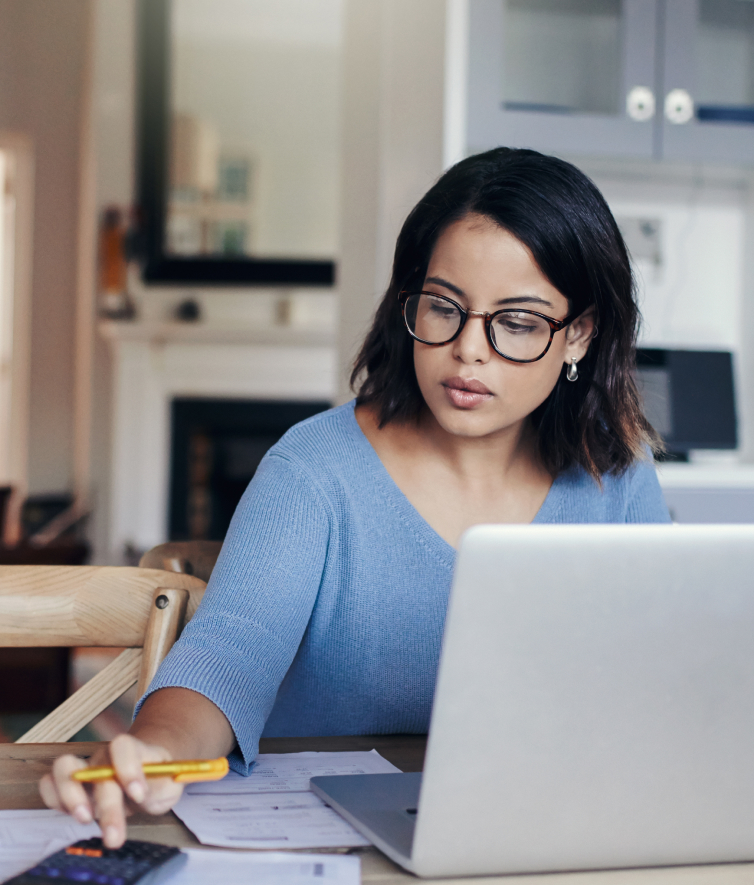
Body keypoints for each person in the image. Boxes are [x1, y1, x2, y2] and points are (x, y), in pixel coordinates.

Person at [41, 148, 670, 846]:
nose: (468, 350)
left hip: (537, 835)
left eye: (517, 322)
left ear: (577, 333)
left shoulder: (617, 474)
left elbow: (659, 679)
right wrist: (154, 750)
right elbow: (227, 655)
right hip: (322, 846)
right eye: (443, 307)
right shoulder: (312, 471)